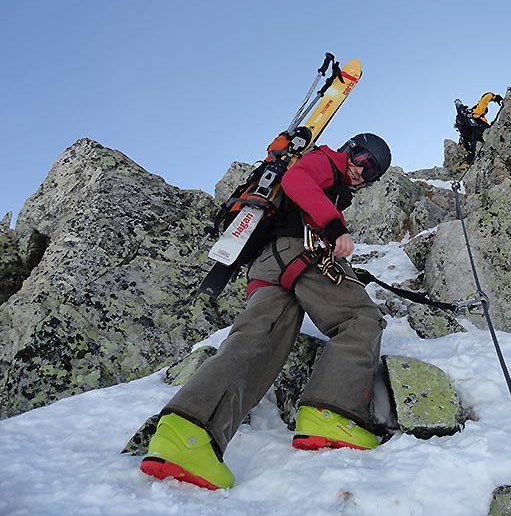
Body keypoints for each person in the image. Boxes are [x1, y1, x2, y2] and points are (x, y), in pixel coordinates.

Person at [139, 133, 392, 490]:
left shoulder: (336, 179)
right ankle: (330, 413)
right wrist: (334, 225)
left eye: (372, 173)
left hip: (266, 265)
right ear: (349, 149)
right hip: (301, 248)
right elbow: (296, 179)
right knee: (360, 317)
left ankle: (186, 435)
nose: (361, 172)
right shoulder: (325, 160)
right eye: (363, 159)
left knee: (258, 339)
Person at [454, 92, 503, 169]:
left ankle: (466, 164)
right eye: (485, 111)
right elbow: (486, 97)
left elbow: (463, 142)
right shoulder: (476, 111)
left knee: (474, 152)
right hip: (480, 130)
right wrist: (495, 97)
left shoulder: (466, 122)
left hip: (472, 138)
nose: (484, 112)